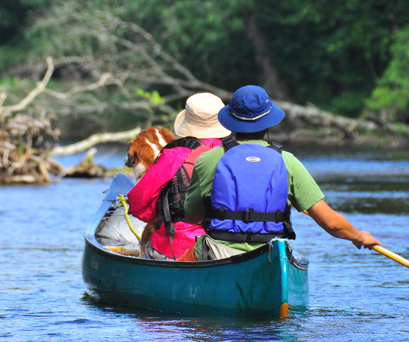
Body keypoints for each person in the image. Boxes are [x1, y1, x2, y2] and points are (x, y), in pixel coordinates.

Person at [180, 85, 380, 261]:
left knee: (183, 260)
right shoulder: (288, 161)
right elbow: (331, 223)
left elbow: (192, 216)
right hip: (271, 254)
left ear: (231, 121)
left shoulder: (208, 160)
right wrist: (359, 236)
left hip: (218, 253)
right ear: (268, 122)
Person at [128, 93, 231, 260]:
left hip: (176, 248)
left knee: (147, 248)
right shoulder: (234, 153)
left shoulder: (173, 155)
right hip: (225, 248)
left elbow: (137, 203)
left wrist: (161, 211)